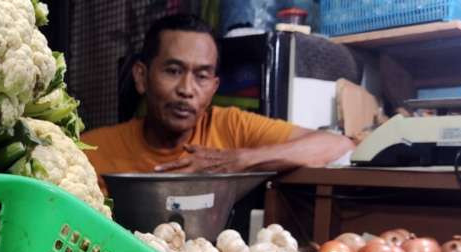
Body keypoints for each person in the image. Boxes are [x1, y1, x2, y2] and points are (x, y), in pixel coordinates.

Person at [82, 14, 354, 183]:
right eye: (173, 71)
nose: (187, 89)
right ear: (141, 77)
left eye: (201, 76)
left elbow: (336, 144)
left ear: (214, 88)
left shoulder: (230, 127)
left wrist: (238, 160)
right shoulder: (93, 150)